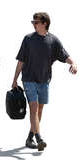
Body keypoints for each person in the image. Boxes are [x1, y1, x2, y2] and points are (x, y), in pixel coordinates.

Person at [12, 12, 77, 151]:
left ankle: (30, 137)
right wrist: (14, 79)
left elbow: (64, 55)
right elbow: (21, 60)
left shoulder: (53, 40)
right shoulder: (28, 39)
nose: (34, 24)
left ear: (45, 23)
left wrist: (73, 63)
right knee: (34, 108)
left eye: (36, 22)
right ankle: (39, 138)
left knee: (39, 110)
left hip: (44, 80)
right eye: (33, 22)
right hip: (29, 79)